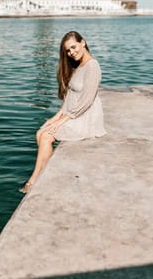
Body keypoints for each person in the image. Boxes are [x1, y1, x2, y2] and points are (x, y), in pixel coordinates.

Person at [19, 30, 106, 193]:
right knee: (40, 132)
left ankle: (33, 180)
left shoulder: (92, 66)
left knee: (46, 136)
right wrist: (54, 118)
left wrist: (61, 121)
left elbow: (85, 102)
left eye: (74, 47)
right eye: (68, 50)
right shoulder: (78, 66)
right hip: (74, 114)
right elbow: (69, 101)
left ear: (83, 43)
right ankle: (45, 174)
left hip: (87, 118)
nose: (72, 52)